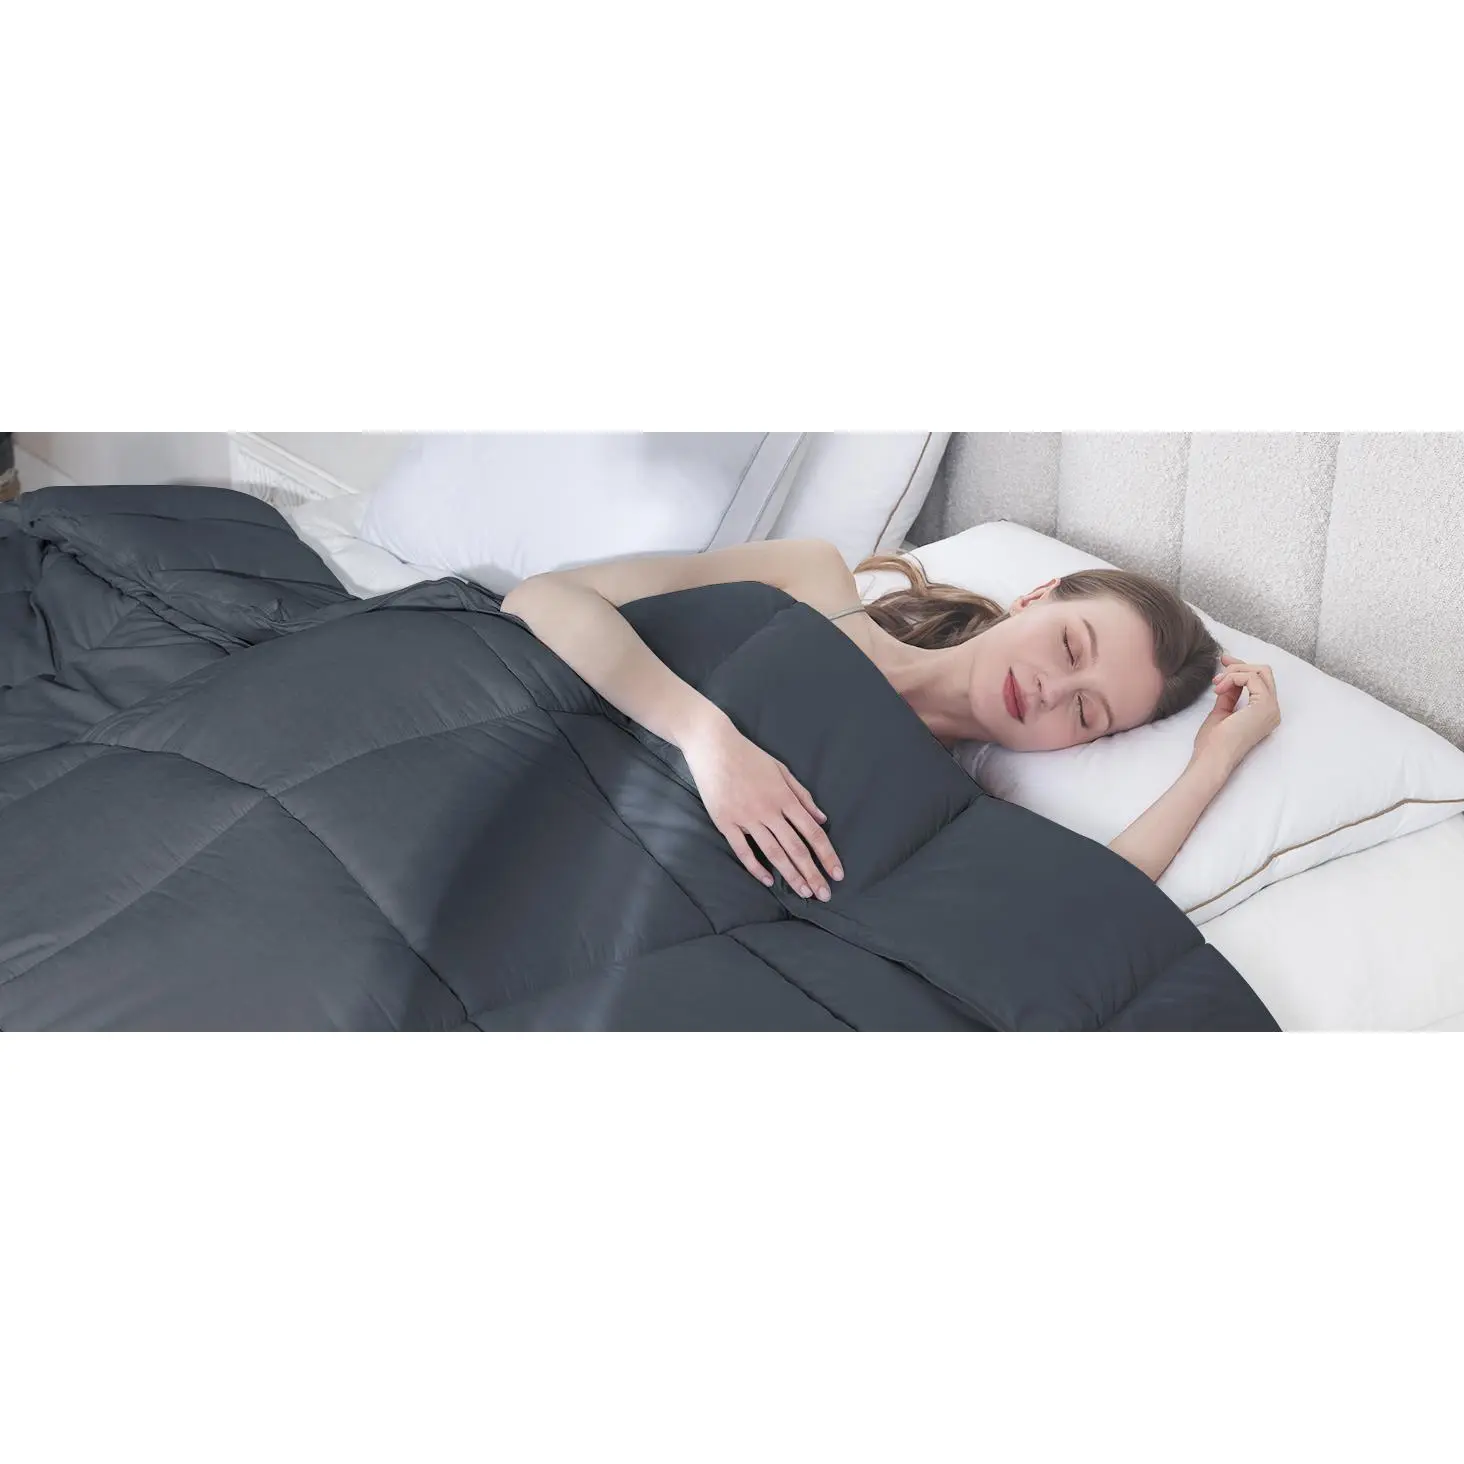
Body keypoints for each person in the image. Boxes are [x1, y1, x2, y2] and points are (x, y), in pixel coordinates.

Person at [501, 537, 1281, 902]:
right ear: (1037, 596)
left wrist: (1215, 759)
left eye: (1086, 712)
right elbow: (543, 598)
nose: (1051, 690)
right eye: (1070, 646)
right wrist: (707, 738)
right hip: (518, 747)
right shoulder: (813, 579)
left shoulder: (945, 811)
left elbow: (1093, 901)